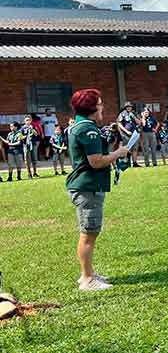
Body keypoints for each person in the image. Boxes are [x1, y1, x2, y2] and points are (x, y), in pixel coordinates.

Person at [66, 88, 129, 291]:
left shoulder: (85, 127)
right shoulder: (87, 130)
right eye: (100, 103)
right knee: (89, 233)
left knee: (90, 232)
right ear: (92, 107)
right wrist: (118, 153)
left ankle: (89, 273)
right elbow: (96, 162)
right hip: (87, 187)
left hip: (87, 186)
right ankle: (87, 279)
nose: (102, 106)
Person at [117, 102, 140, 167]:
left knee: (135, 148)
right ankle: (127, 163)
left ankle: (135, 163)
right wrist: (126, 131)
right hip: (126, 134)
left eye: (130, 107)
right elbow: (119, 123)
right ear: (125, 107)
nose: (129, 108)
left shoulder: (134, 113)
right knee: (127, 149)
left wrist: (134, 116)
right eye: (127, 107)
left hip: (135, 133)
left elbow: (139, 122)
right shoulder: (122, 114)